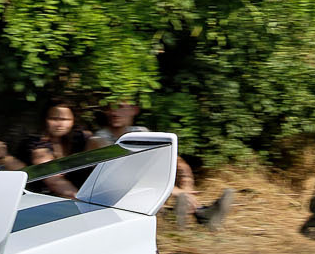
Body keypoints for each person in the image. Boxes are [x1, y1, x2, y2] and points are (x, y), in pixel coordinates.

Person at [89, 97, 235, 230]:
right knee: (147, 178)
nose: (114, 112)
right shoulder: (98, 139)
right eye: (110, 107)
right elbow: (123, 173)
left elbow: (175, 160)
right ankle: (190, 215)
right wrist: (176, 191)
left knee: (164, 168)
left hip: (140, 190)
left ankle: (195, 214)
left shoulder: (141, 132)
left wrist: (187, 185)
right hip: (110, 195)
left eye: (120, 107)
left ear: (134, 109)